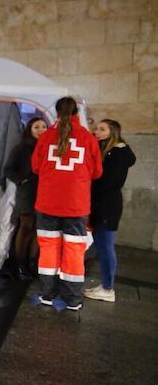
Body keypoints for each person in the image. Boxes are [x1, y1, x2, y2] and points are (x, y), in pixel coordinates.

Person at [31, 97, 102, 311]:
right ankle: (72, 299)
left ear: (56, 112)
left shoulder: (46, 137)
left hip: (47, 204)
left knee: (49, 248)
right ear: (76, 111)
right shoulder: (88, 138)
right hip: (76, 205)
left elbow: (35, 166)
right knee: (73, 250)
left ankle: (47, 294)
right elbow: (97, 171)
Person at [84, 119, 136, 303]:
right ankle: (105, 285)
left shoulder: (118, 154)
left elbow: (108, 181)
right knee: (102, 247)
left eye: (102, 129)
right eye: (96, 128)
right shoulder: (108, 150)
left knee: (106, 248)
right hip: (103, 205)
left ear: (112, 132)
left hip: (107, 207)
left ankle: (108, 289)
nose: (96, 131)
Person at [4, 117, 47, 280]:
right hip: (27, 192)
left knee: (38, 228)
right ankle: (19, 264)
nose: (41, 129)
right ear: (30, 129)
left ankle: (31, 262)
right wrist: (22, 180)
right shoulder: (21, 149)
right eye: (37, 127)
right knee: (26, 226)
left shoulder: (49, 148)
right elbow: (8, 170)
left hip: (43, 192)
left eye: (44, 126)